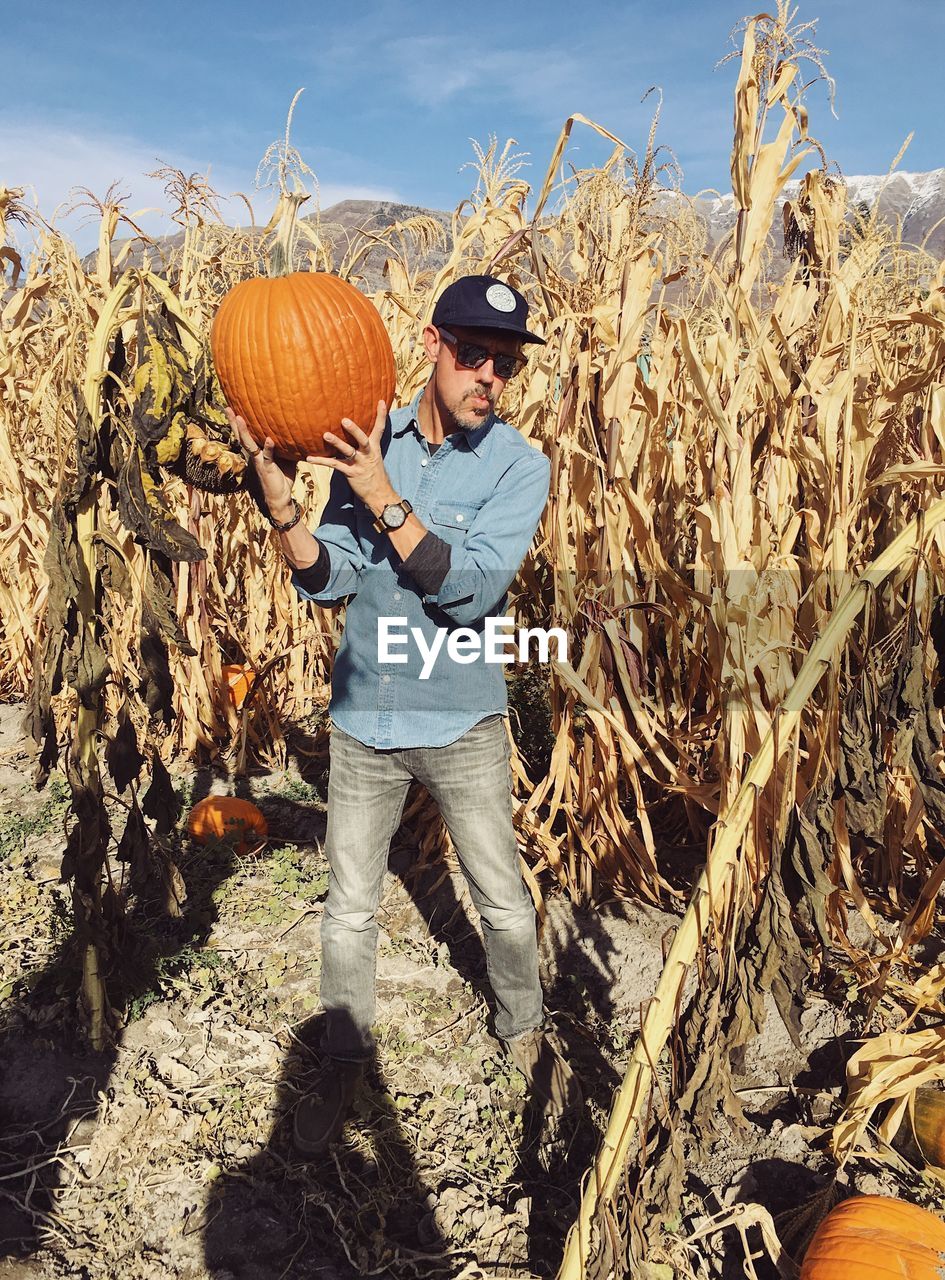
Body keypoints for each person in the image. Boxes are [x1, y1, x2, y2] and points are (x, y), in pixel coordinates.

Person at [226, 274, 580, 1157]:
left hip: (461, 721)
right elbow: (330, 577)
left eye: (504, 363)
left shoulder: (516, 465)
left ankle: (521, 1029)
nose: (487, 377)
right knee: (348, 907)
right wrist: (281, 511)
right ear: (432, 345)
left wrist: (384, 494)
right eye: (472, 355)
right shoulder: (365, 435)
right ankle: (343, 1059)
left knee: (499, 897)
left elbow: (468, 593)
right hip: (364, 720)